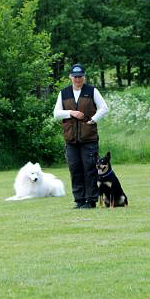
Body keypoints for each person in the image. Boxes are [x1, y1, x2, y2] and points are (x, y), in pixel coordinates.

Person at [53, 63, 109, 209]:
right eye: (75, 76)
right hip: (70, 139)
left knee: (90, 169)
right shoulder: (63, 93)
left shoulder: (92, 91)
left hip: (88, 138)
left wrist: (93, 120)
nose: (78, 79)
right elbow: (56, 114)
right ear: (70, 77)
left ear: (84, 77)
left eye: (80, 77)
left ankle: (90, 201)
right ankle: (79, 200)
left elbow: (104, 108)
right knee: (75, 169)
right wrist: (71, 113)